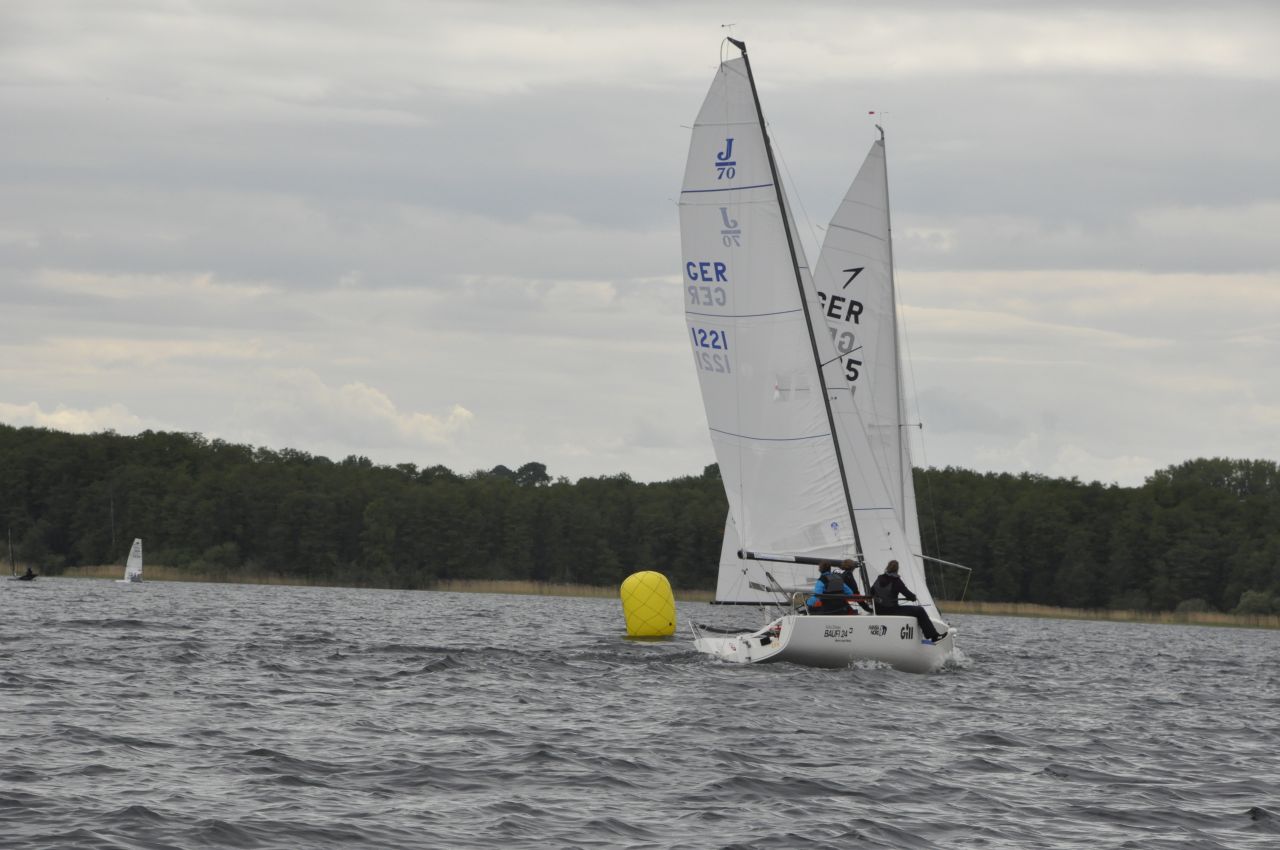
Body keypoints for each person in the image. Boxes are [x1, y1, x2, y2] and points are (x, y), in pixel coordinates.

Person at [870, 560, 948, 642]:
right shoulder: (897, 581)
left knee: (913, 610)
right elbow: (909, 595)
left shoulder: (879, 578)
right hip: (891, 610)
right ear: (897, 569)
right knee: (919, 610)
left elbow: (871, 591)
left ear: (887, 567)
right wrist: (913, 597)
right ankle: (934, 636)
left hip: (878, 610)